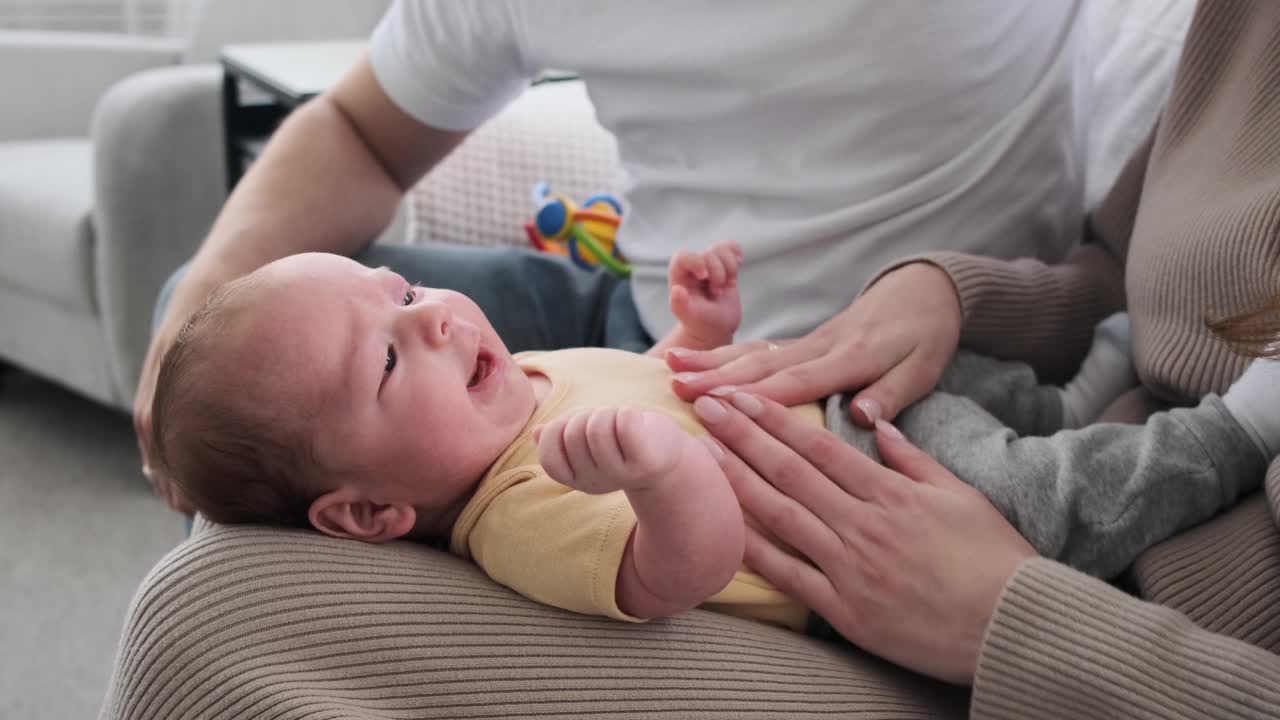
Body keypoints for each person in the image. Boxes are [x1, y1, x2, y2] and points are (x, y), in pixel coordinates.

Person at [135, 0, 1089, 512]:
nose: (422, 309)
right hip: (645, 329)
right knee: (220, 339)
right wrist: (203, 301)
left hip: (917, 372)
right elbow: (359, 130)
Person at [152, 234, 1269, 634]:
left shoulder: (510, 389)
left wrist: (695, 330)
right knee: (1052, 491)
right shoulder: (516, 512)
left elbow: (642, 380)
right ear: (369, 513)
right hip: (882, 513)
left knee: (977, 385)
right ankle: (1233, 429)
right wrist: (665, 473)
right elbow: (670, 575)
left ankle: (1073, 391)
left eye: (398, 289)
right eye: (390, 356)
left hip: (837, 418)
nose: (434, 314)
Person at [676, 0, 1280, 714]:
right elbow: (1129, 266)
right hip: (972, 536)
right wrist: (950, 294)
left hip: (1075, 638)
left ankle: (1229, 432)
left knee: (1022, 482)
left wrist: (1016, 621)